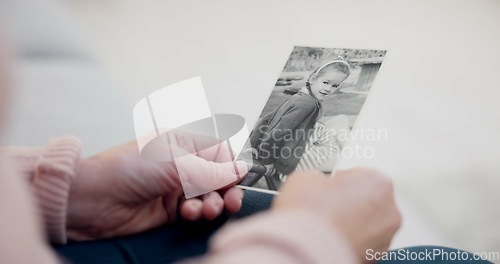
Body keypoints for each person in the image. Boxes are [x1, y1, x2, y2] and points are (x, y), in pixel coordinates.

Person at [249, 59, 351, 189]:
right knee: (340, 146)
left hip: (303, 142)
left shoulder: (300, 96)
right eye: (326, 82)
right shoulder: (308, 104)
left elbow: (265, 119)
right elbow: (279, 131)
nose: (328, 89)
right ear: (313, 78)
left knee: (340, 121)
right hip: (289, 157)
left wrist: (254, 143)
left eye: (335, 86)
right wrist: (267, 160)